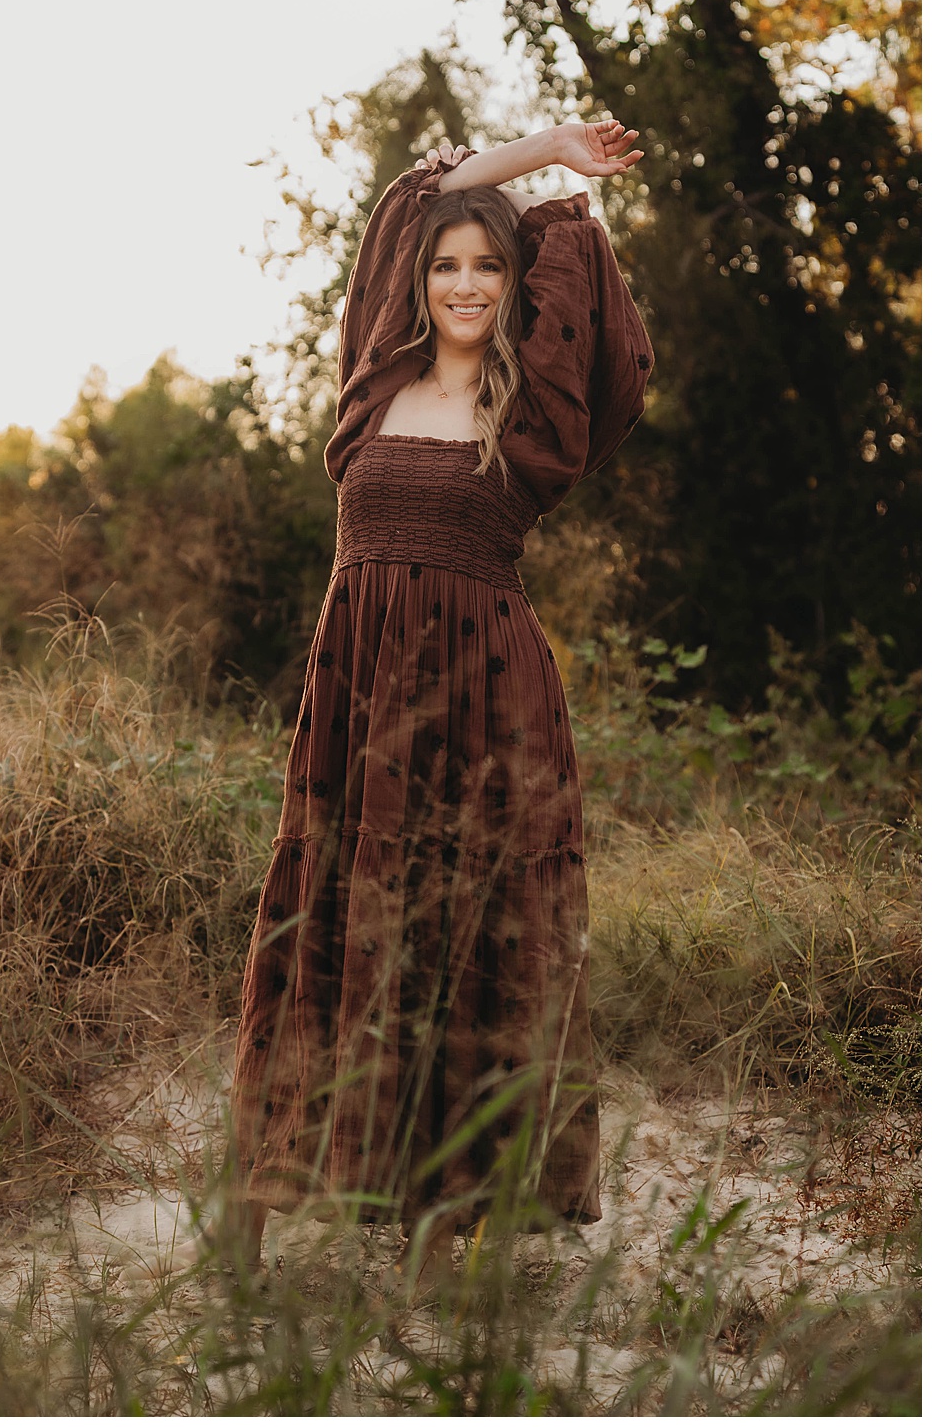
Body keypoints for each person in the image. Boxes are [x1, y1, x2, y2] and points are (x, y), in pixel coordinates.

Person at [217, 118, 651, 1295]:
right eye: (450, 264)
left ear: (515, 290)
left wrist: (556, 203)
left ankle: (437, 1237)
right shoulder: (376, 374)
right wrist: (549, 143)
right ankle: (254, 1208)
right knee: (321, 929)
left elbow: (579, 262)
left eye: (490, 268)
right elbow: (424, 189)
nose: (465, 283)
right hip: (358, 705)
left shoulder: (533, 414)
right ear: (419, 279)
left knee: (466, 952)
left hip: (489, 700)